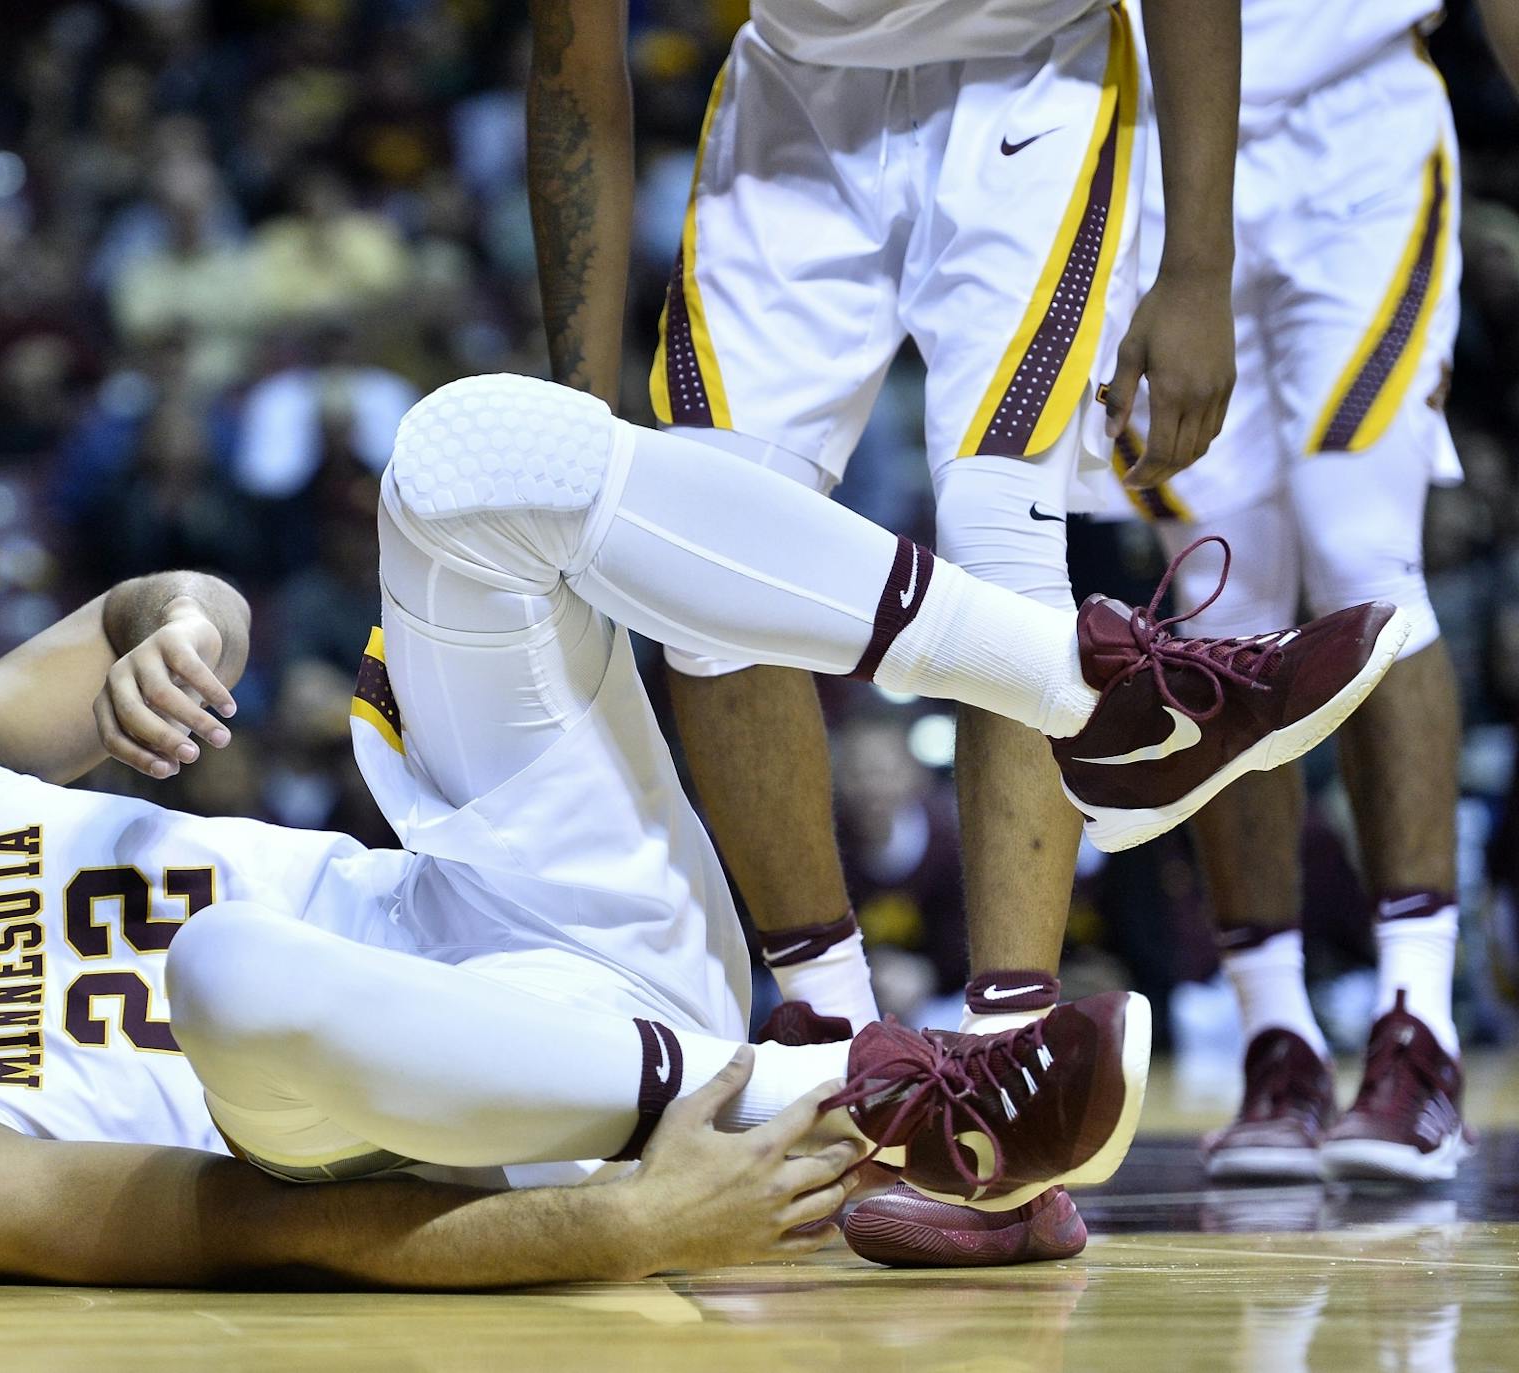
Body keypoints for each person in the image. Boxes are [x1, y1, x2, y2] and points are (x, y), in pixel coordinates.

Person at [0, 376, 1401, 1288]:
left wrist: (172, 632)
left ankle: (1095, 690)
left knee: (461, 457)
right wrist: (622, 1228)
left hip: (534, 900)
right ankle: (872, 1097)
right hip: (482, 1093)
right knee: (223, 981)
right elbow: (262, 1221)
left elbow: (156, 604)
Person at [526, 0, 1241, 1263]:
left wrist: (1198, 269)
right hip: (794, 93)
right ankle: (840, 1049)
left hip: (1036, 66)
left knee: (1002, 534)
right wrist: (578, 420)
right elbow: (571, 54)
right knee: (701, 554)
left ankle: (1003, 1073)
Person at [1085, 0, 1480, 1187]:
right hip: (1144, 146)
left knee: (1364, 554)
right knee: (1215, 616)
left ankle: (1419, 1032)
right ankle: (1276, 1033)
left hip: (1355, 130)